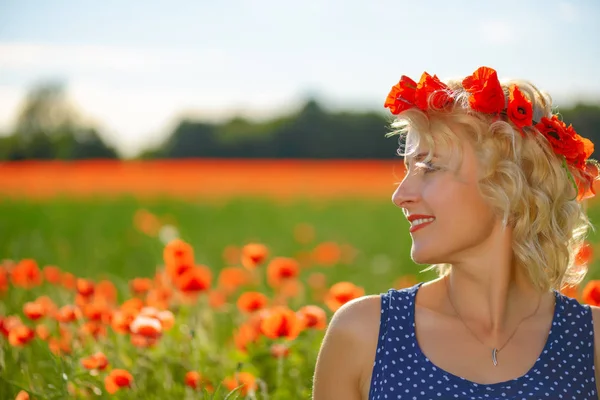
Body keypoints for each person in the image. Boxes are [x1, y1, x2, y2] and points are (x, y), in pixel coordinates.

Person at [311, 66, 600, 399]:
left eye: (430, 167)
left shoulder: (591, 341)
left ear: (508, 183)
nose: (400, 194)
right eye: (408, 170)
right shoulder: (365, 333)